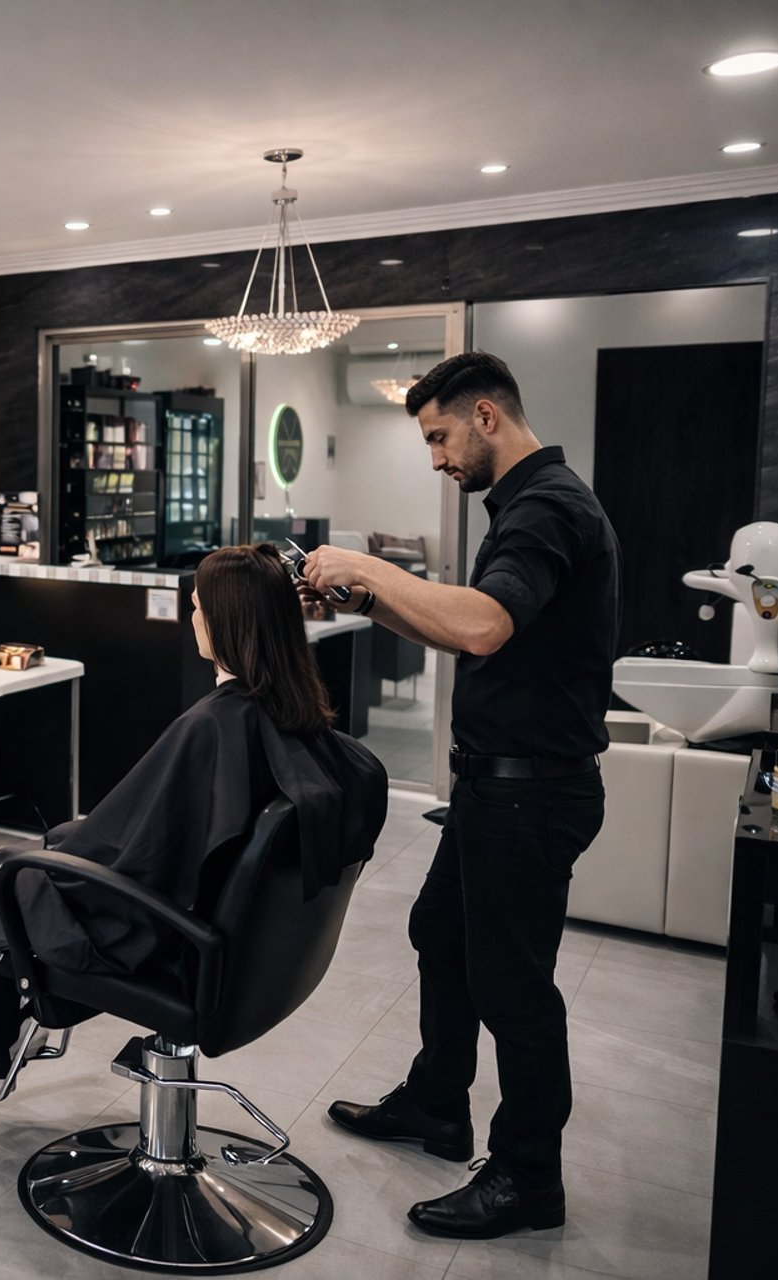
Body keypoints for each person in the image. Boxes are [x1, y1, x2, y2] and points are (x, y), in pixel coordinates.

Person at [301, 351, 619, 1240]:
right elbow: (476, 632)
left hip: (532, 794)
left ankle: (528, 1178)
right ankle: (439, 1103)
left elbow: (481, 623)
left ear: (485, 417)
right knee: (439, 935)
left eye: (439, 436)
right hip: (497, 789)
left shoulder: (548, 507)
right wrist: (367, 594)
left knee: (515, 989)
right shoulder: (523, 504)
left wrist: (366, 562)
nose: (435, 458)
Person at [0, 544, 388, 1094]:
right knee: (58, 843)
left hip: (172, 945)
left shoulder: (211, 727)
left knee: (3, 870)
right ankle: (17, 1024)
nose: (193, 617)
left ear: (223, 622)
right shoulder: (300, 722)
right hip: (244, 948)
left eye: (198, 606)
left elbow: (137, 853)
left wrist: (65, 853)